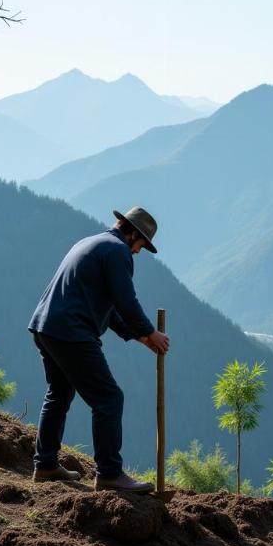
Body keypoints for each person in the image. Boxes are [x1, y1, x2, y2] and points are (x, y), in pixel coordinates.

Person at [28, 206, 170, 492]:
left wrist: (141, 338)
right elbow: (126, 302)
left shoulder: (91, 243)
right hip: (72, 331)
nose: (139, 252)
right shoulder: (118, 251)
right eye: (142, 244)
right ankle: (109, 474)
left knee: (59, 393)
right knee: (108, 398)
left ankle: (45, 465)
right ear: (133, 233)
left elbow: (110, 308)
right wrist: (150, 332)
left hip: (46, 326)